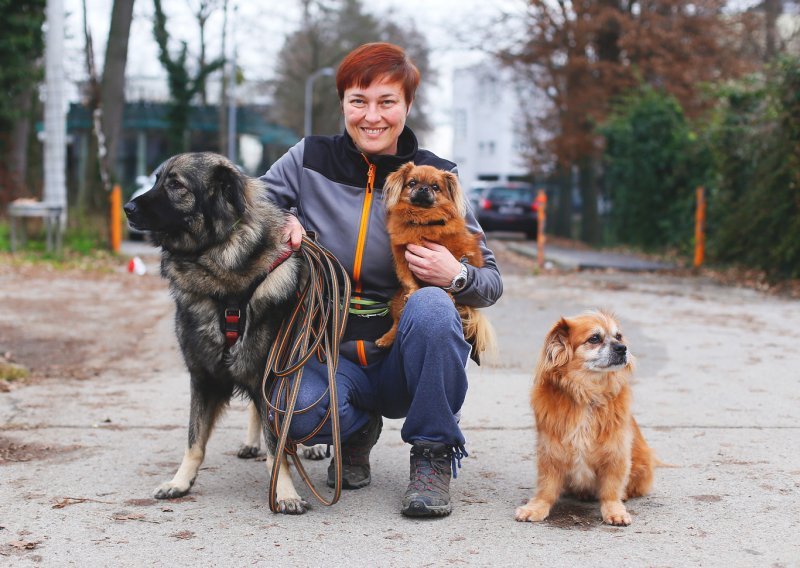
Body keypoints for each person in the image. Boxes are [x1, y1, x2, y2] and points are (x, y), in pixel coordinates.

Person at [260, 42, 502, 517]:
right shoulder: (309, 159)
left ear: (407, 107)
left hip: (402, 358)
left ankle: (432, 453)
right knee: (297, 413)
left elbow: (491, 281)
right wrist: (282, 218)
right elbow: (253, 203)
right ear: (343, 105)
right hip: (327, 350)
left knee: (431, 307)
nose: (372, 116)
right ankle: (353, 432)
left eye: (386, 102)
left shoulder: (441, 176)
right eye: (358, 101)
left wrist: (456, 277)